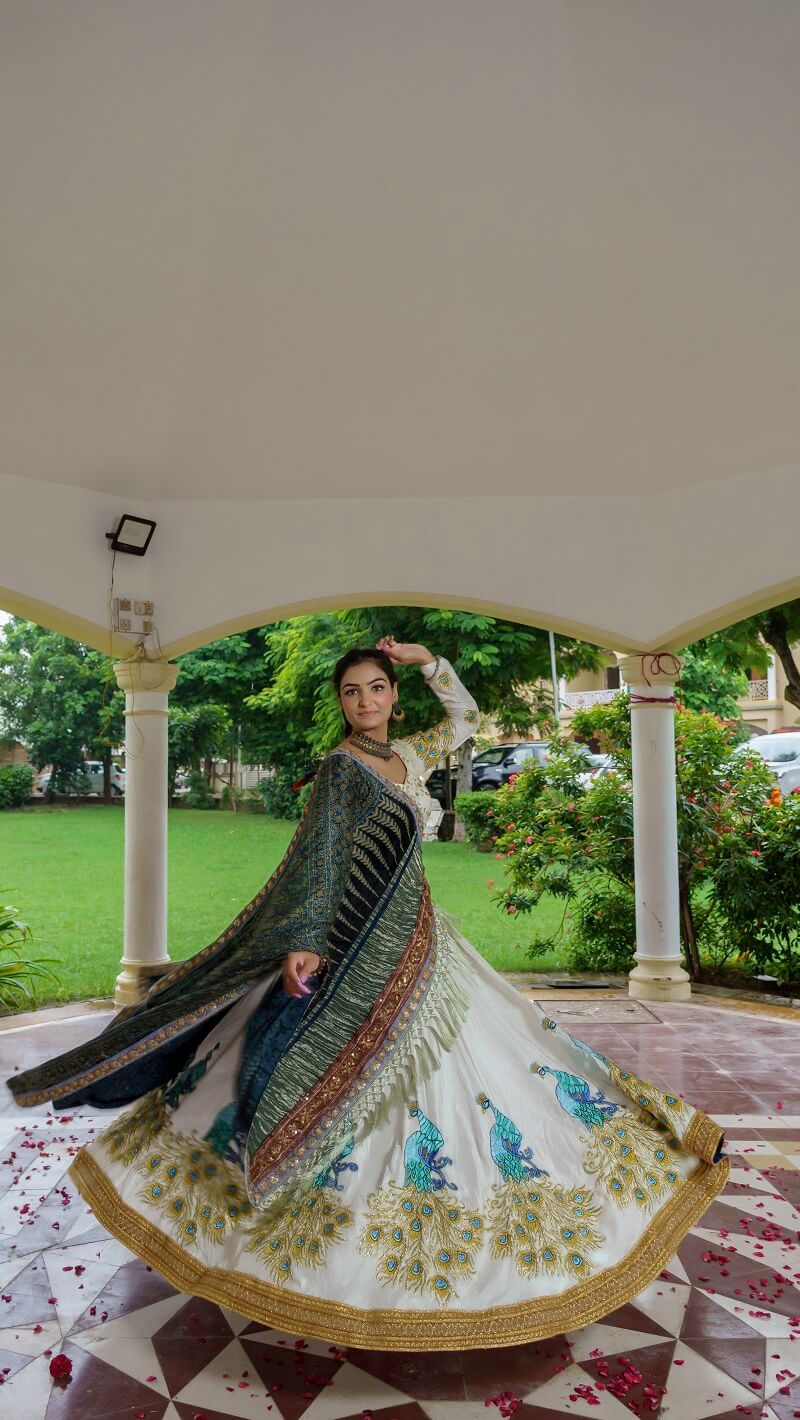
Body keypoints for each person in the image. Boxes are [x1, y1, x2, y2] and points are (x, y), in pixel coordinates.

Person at [8, 637, 729, 1350]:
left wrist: (429, 662)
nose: (366, 702)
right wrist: (306, 940)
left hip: (423, 942)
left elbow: (468, 719)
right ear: (342, 705)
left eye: (377, 688)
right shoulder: (340, 770)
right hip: (356, 946)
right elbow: (322, 863)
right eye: (352, 692)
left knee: (500, 1060)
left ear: (393, 694)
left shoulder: (409, 756)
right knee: (313, 1072)